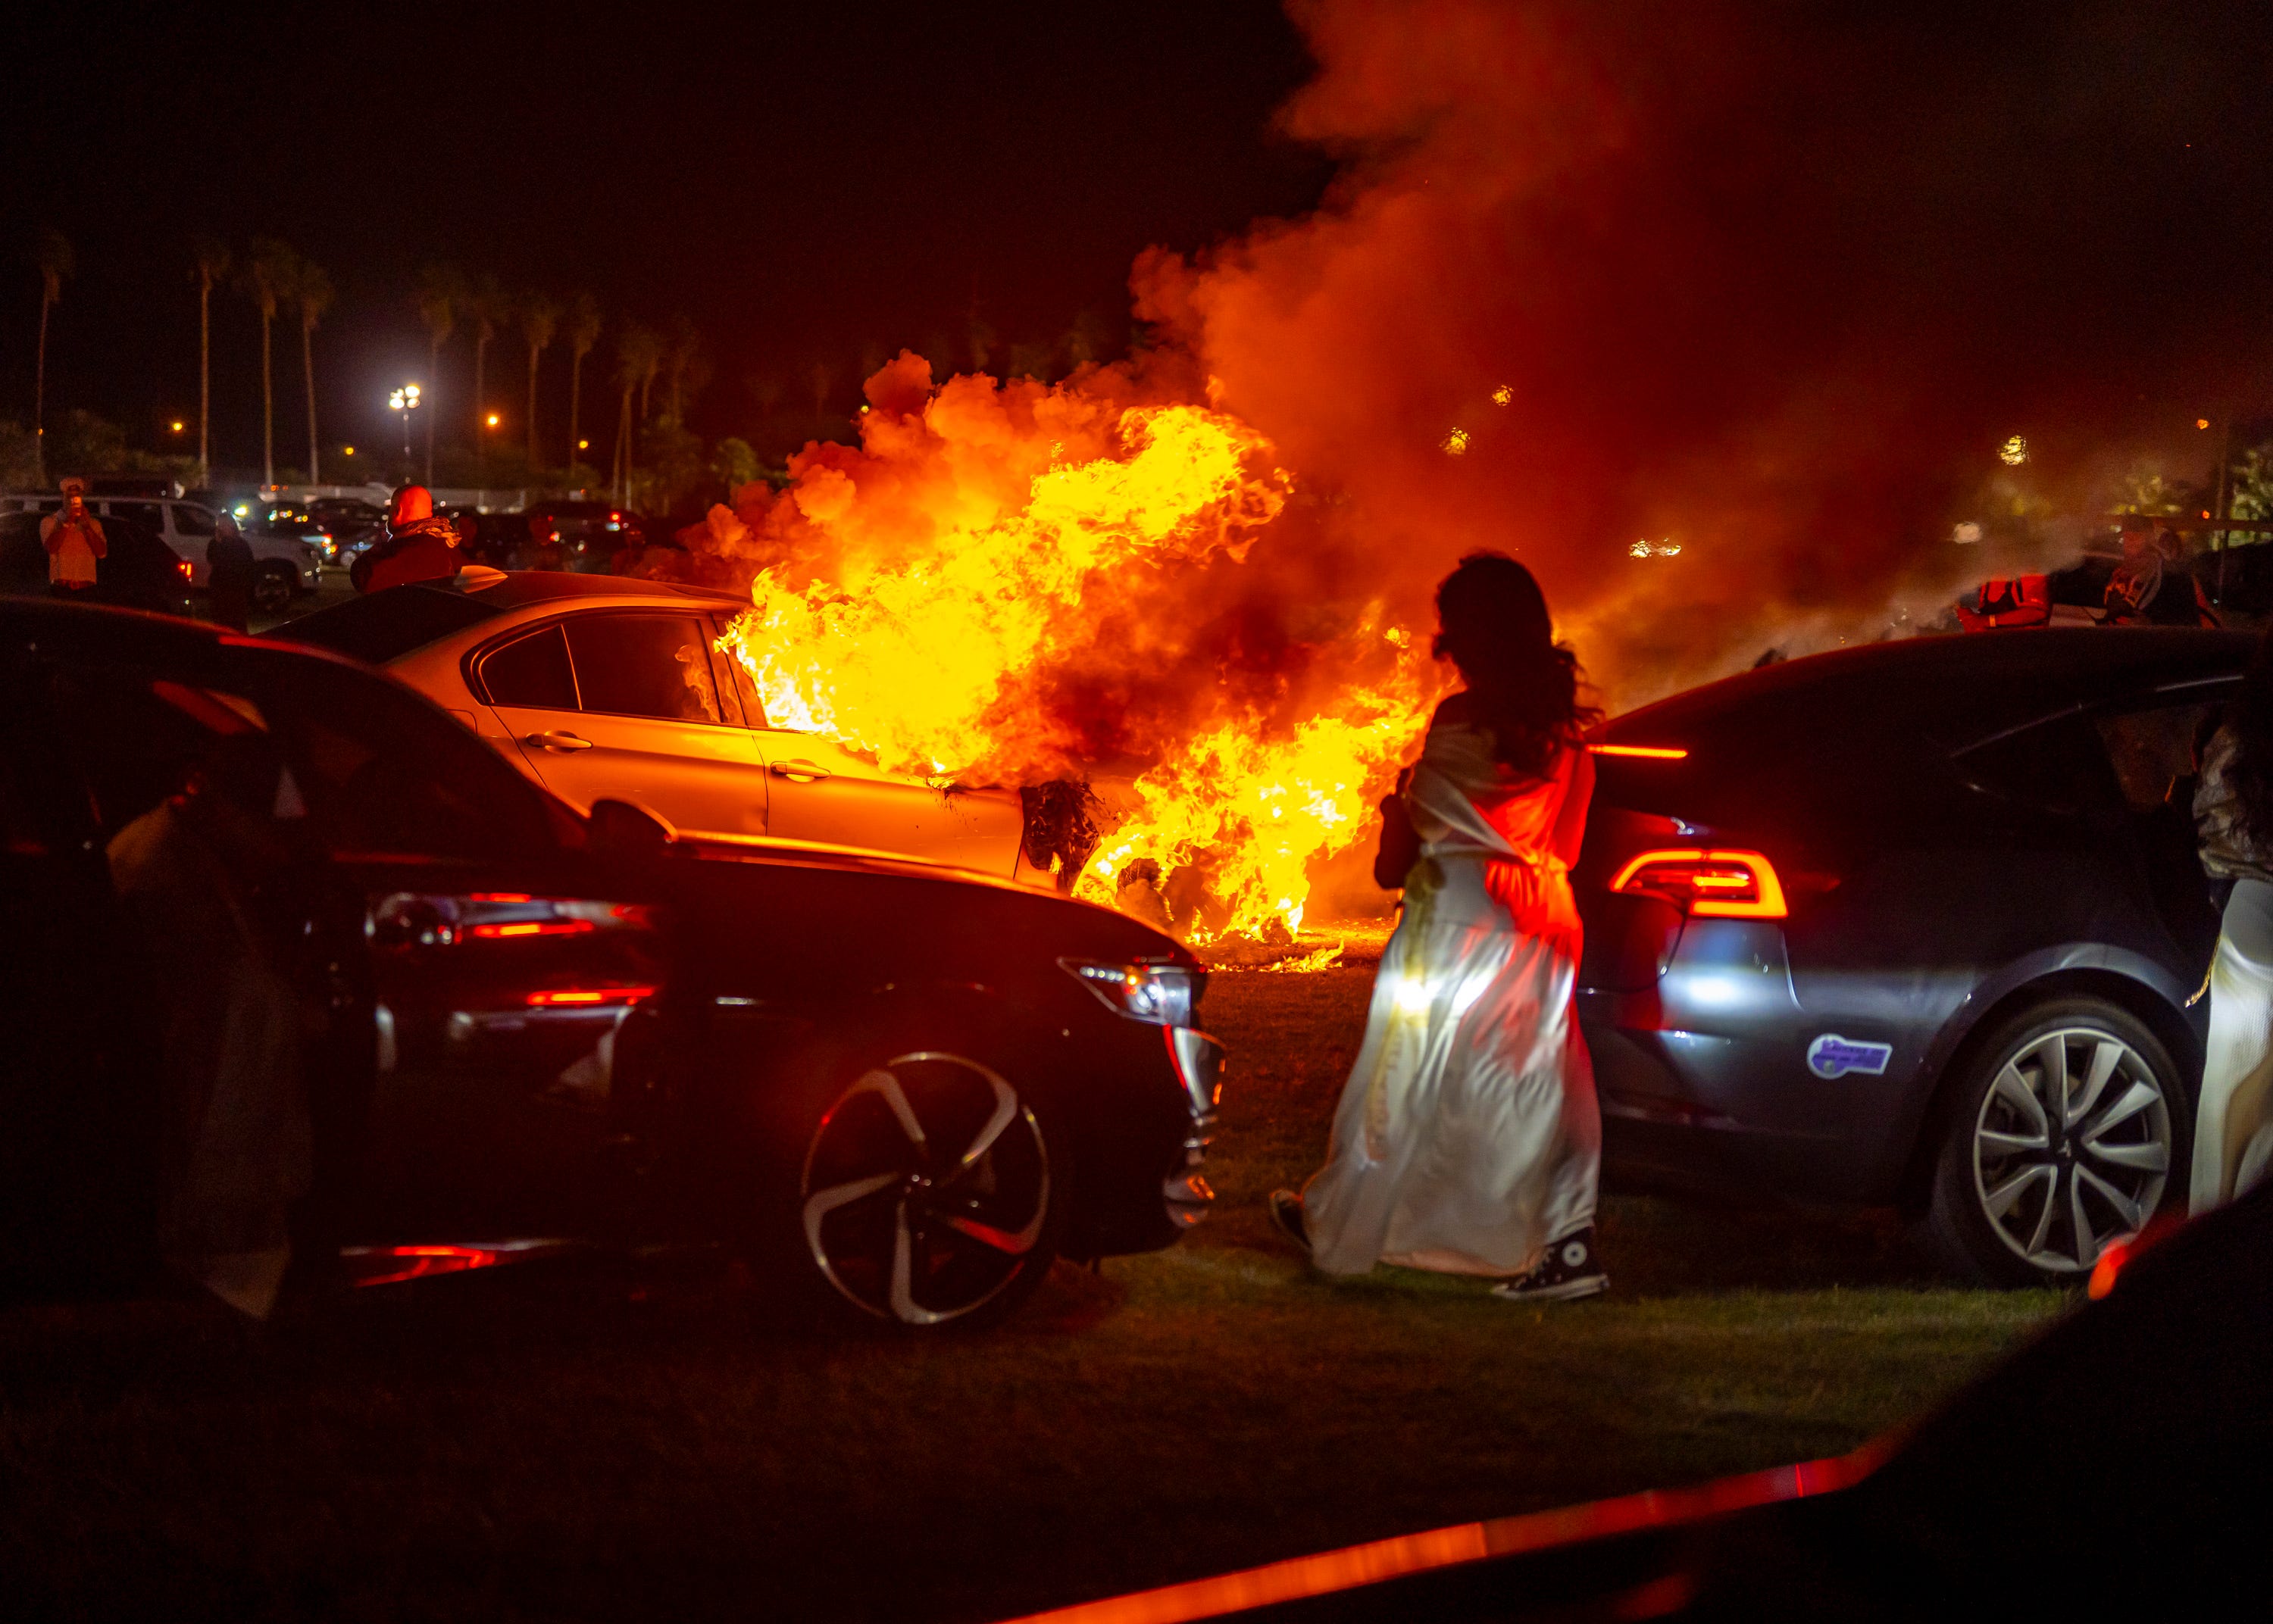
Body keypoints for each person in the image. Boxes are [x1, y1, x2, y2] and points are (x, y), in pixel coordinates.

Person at [1271, 551, 1607, 1301]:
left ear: (1469, 635)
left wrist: (1397, 806)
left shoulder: (1460, 718)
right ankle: (1561, 1240)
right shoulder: (1569, 734)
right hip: (1544, 915)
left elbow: (1401, 856)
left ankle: (1349, 1224)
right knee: (1536, 1076)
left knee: (1407, 1070)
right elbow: (1569, 847)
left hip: (1457, 912)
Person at [2191, 632, 2273, 1212]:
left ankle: (2212, 1221)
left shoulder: (2232, 739)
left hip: (2247, 918)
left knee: (2231, 1088)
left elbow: (2210, 828)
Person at [350, 484, 463, 593]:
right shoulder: (446, 544)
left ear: (398, 511)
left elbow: (365, 578)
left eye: (391, 508)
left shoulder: (410, 548)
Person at [2106, 522, 2217, 626]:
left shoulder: (2179, 580)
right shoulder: (2124, 576)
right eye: (2127, 538)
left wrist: (2151, 623)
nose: (2131, 544)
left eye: (2169, 546)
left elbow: (2192, 621)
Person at [40, 476, 106, 593]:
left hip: (87, 587)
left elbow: (101, 553)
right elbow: (51, 548)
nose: (73, 500)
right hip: (61, 586)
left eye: (76, 496)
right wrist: (67, 522)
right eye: (69, 496)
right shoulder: (50, 521)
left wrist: (87, 528)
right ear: (62, 497)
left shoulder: (94, 524)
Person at [205, 511, 256, 631]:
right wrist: (219, 544)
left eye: (224, 524)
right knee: (221, 623)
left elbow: (248, 564)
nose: (222, 527)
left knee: (237, 623)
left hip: (235, 588)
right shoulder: (215, 543)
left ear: (232, 525)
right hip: (220, 588)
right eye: (220, 524)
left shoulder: (241, 544)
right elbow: (212, 559)